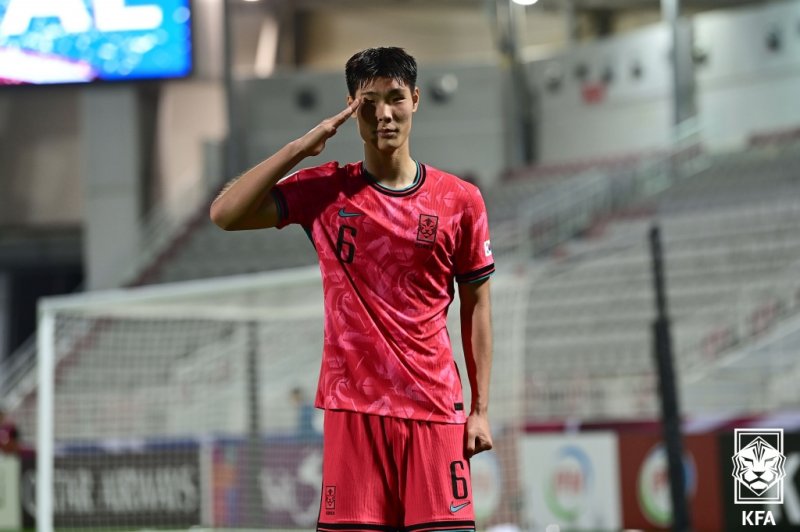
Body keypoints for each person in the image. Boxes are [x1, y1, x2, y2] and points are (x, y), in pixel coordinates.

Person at [211, 47, 494, 531]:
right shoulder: (324, 191)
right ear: (350, 107)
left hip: (435, 411)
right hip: (353, 411)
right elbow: (225, 214)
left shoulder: (460, 201)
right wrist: (301, 147)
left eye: (395, 98)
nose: (384, 114)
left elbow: (477, 307)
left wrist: (480, 410)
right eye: (368, 103)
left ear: (416, 100)